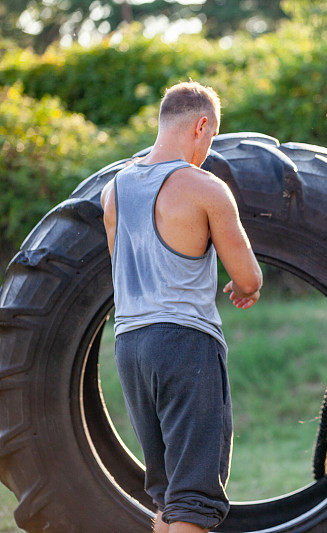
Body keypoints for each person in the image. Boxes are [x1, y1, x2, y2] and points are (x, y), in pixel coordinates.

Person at [100, 81, 262, 533]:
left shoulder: (113, 190)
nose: (207, 150)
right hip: (184, 343)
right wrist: (247, 287)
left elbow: (124, 269)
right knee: (195, 496)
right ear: (202, 125)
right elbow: (248, 278)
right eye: (210, 139)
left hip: (130, 346)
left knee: (167, 492)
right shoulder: (204, 187)